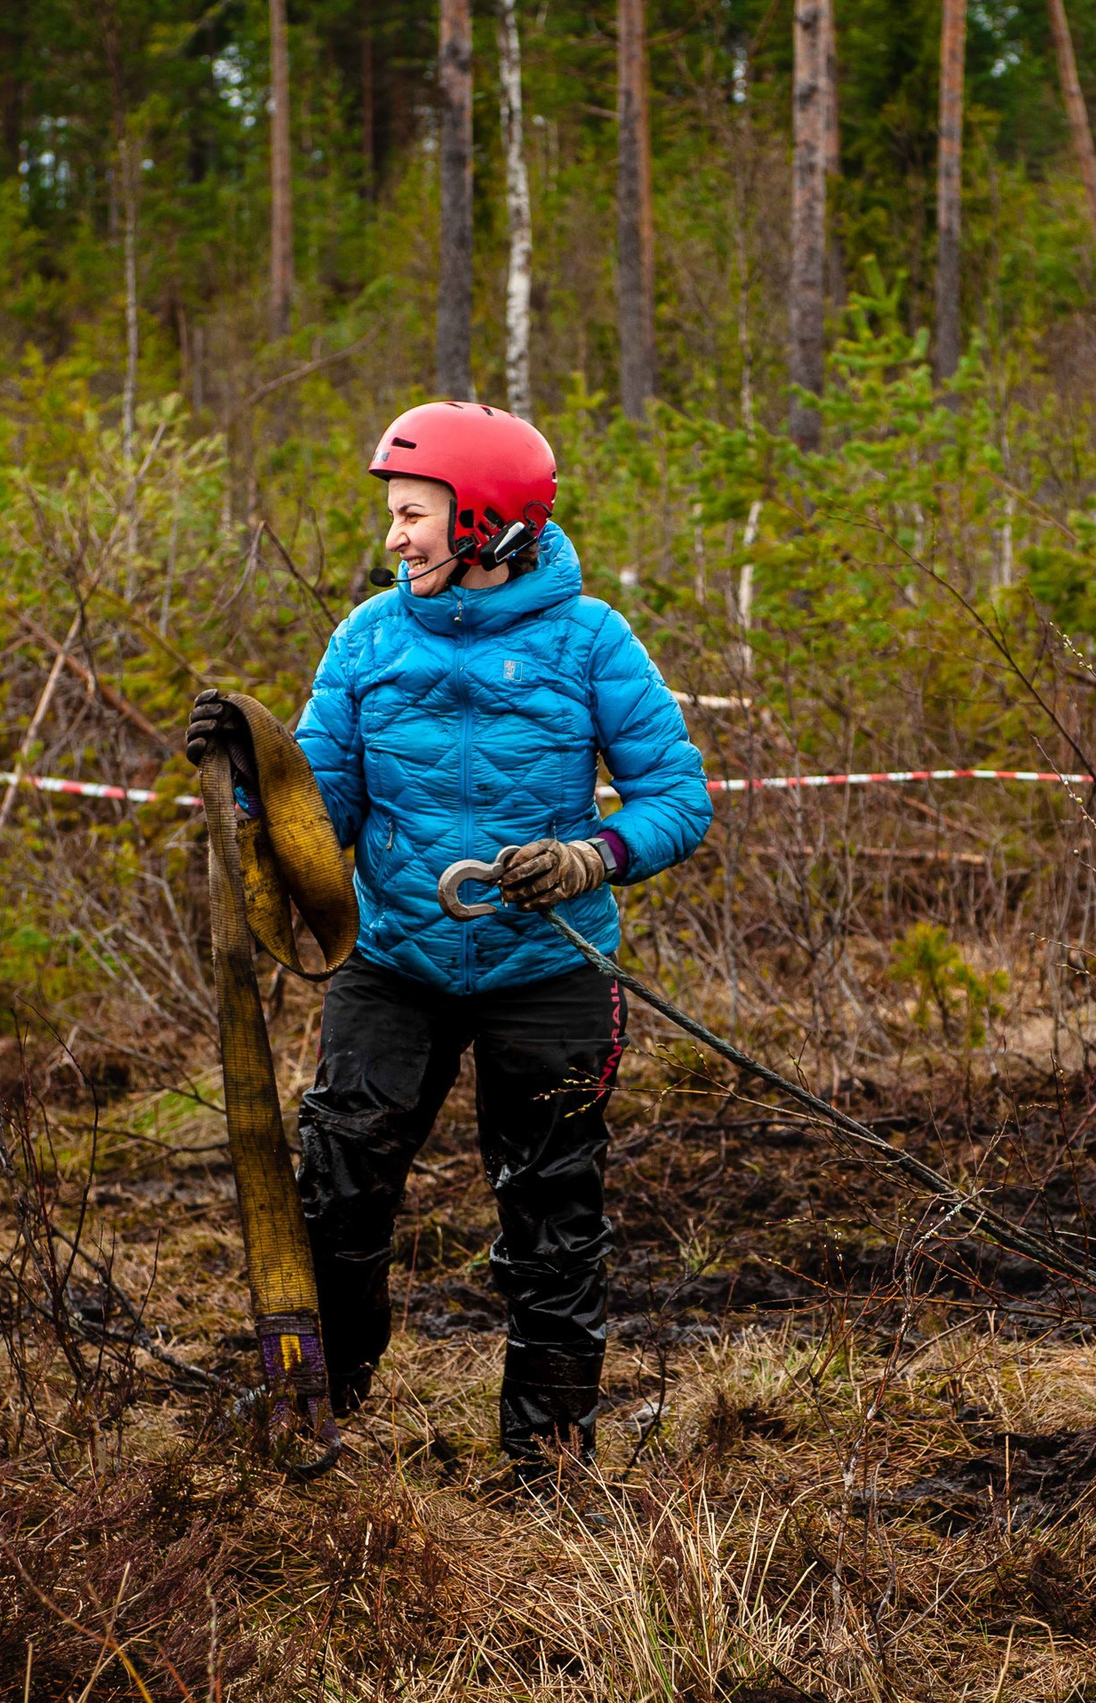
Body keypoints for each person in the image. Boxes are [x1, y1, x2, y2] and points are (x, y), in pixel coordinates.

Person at [186, 402, 710, 1475]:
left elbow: (677, 797)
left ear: (484, 521)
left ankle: (549, 1455)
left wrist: (591, 858)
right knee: (339, 1184)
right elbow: (316, 811)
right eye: (394, 513)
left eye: (414, 514)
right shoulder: (366, 638)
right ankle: (318, 1408)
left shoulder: (589, 638)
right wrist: (252, 775)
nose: (393, 538)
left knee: (550, 1218)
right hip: (393, 964)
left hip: (549, 968)